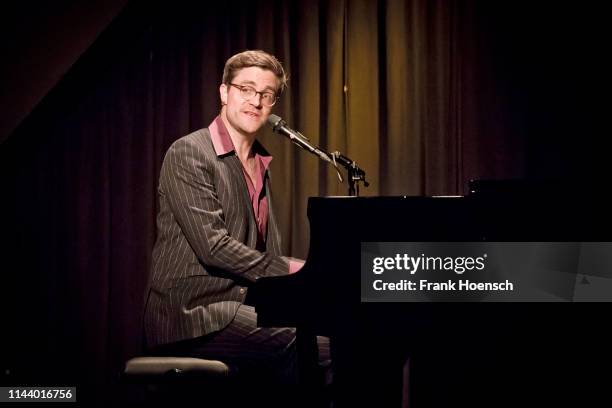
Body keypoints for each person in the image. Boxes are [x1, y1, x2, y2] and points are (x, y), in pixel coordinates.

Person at [143, 50, 329, 392]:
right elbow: (214, 247)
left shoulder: (259, 163)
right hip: (192, 314)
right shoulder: (189, 152)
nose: (255, 101)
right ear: (224, 92)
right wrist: (298, 270)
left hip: (241, 308)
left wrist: (312, 284)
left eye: (266, 94)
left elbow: (261, 253)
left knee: (342, 333)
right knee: (309, 343)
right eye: (246, 89)